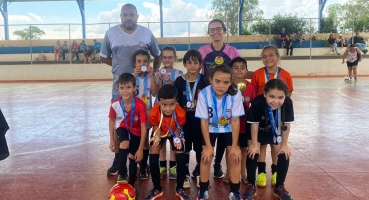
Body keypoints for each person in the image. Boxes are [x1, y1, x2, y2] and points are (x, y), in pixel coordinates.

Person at [100, 3, 161, 175]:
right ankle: (118, 160)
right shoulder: (111, 33)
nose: (128, 17)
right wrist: (119, 66)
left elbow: (157, 55)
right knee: (120, 124)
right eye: (125, 15)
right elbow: (104, 57)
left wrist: (154, 73)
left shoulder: (146, 33)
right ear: (120, 16)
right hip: (120, 89)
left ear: (137, 16)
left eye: (131, 14)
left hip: (142, 92)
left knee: (142, 125)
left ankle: (142, 162)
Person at [198, 19, 244, 179]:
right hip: (208, 95)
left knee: (225, 131)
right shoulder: (202, 51)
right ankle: (203, 163)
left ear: (224, 30)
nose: (215, 32)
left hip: (227, 95)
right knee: (208, 130)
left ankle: (218, 163)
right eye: (211, 29)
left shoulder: (232, 51)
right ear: (208, 32)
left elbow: (241, 70)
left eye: (218, 29)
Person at [195, 65, 244, 200]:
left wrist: (234, 146)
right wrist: (209, 147)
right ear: (211, 80)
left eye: (226, 82)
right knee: (206, 157)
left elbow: (235, 121)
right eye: (217, 81)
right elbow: (203, 122)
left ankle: (235, 192)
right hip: (210, 127)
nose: (221, 86)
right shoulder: (204, 94)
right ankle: (203, 190)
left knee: (235, 157)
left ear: (231, 82)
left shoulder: (236, 94)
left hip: (228, 127)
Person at [243, 79, 294, 200]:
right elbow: (253, 124)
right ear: (265, 94)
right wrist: (254, 144)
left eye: (280, 97)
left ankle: (279, 186)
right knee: (252, 152)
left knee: (284, 153)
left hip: (274, 131)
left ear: (285, 96)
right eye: (271, 96)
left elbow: (286, 124)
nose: (276, 101)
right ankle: (251, 185)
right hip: (257, 130)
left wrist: (285, 144)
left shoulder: (288, 103)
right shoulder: (258, 102)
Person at [250, 45, 293, 189]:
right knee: (260, 145)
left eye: (270, 55)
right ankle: (261, 172)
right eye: (264, 56)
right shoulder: (257, 74)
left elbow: (288, 95)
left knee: (276, 143)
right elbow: (255, 92)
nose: (267, 59)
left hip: (278, 114)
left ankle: (275, 172)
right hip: (262, 113)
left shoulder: (286, 74)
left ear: (278, 57)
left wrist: (278, 106)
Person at [144, 84, 189, 200]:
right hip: (160, 132)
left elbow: (178, 129)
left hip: (174, 132)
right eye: (164, 105)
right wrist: (157, 138)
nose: (168, 109)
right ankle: (157, 189)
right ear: (159, 102)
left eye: (172, 105)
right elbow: (156, 129)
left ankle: (180, 188)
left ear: (177, 102)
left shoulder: (181, 113)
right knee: (153, 158)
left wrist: (177, 139)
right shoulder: (153, 113)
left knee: (181, 157)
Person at [174, 49, 208, 188]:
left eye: (196, 63)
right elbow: (175, 102)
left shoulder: (205, 81)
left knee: (200, 149)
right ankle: (186, 173)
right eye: (189, 63)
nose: (192, 66)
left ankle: (199, 172)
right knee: (185, 149)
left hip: (200, 123)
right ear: (184, 64)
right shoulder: (179, 81)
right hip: (184, 124)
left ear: (201, 65)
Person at [108, 73, 147, 186]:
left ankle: (131, 183)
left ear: (135, 88)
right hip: (123, 127)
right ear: (118, 88)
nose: (125, 91)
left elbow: (144, 127)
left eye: (128, 87)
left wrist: (140, 148)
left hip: (136, 131)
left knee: (133, 156)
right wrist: (112, 140)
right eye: (122, 87)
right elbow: (111, 121)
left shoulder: (140, 105)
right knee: (124, 143)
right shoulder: (115, 104)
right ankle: (122, 173)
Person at [224, 57, 256, 185]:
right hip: (229, 125)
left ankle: (242, 172)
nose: (239, 70)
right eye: (235, 68)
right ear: (231, 70)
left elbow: (254, 104)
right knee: (230, 148)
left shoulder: (250, 87)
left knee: (243, 149)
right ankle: (228, 172)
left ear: (246, 70)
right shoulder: (227, 86)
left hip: (244, 124)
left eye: (242, 68)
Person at [155, 46, 183, 180]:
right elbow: (158, 92)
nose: (167, 59)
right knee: (161, 138)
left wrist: (170, 81)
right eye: (164, 57)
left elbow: (176, 91)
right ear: (161, 58)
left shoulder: (178, 73)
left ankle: (173, 166)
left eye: (170, 57)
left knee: (173, 138)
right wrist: (160, 80)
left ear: (175, 58)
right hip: (161, 111)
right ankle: (162, 166)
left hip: (173, 111)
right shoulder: (157, 73)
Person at [132, 49, 157, 179]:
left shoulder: (150, 76)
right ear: (135, 63)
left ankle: (143, 166)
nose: (142, 64)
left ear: (149, 63)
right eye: (139, 61)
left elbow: (154, 93)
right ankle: (133, 164)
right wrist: (134, 77)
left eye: (145, 61)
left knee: (145, 140)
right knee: (134, 139)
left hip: (146, 114)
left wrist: (152, 76)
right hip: (133, 114)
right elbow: (127, 92)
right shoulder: (131, 77)